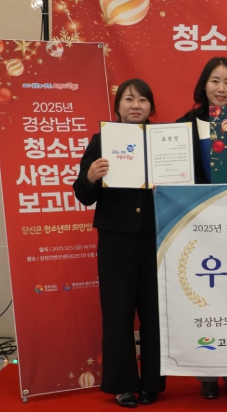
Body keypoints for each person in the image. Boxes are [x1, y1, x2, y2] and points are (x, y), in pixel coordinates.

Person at [73, 79, 166, 407]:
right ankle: (122, 383)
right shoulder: (102, 141)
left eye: (142, 100)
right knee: (117, 312)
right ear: (117, 107)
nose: (135, 105)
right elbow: (83, 194)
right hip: (116, 239)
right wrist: (91, 177)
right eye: (128, 99)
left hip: (157, 236)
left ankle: (152, 382)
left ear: (151, 107)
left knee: (155, 313)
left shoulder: (165, 141)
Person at [176, 57, 227, 398]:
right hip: (197, 229)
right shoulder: (183, 126)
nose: (221, 88)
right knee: (203, 301)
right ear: (204, 85)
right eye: (215, 81)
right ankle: (206, 373)